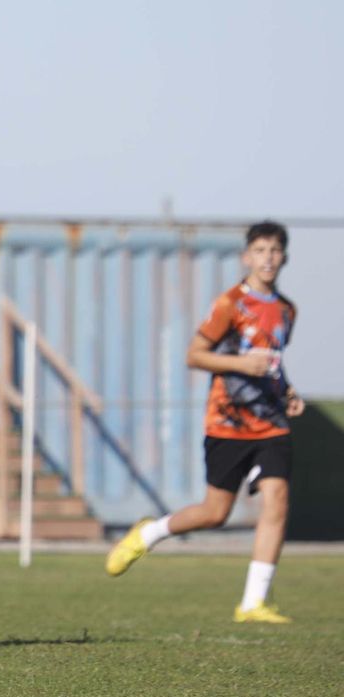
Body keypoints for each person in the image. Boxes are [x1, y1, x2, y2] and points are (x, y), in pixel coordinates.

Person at [106, 221, 305, 623]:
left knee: (277, 499)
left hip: (271, 423)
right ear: (247, 256)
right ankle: (149, 533)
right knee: (215, 513)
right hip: (227, 423)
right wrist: (239, 363)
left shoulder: (286, 310)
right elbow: (194, 355)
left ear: (284, 257)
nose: (268, 258)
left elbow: (272, 363)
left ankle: (253, 602)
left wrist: (288, 392)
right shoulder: (230, 304)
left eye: (275, 250)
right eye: (261, 250)